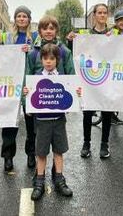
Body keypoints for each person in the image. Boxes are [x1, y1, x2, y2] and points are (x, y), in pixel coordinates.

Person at [24, 43, 79, 201]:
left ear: (57, 60)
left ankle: (60, 180)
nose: (48, 61)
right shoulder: (35, 80)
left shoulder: (63, 79)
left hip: (59, 121)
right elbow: (30, 101)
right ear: (41, 60)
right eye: (45, 58)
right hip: (42, 122)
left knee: (58, 151)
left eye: (52, 58)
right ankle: (39, 182)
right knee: (41, 153)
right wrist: (27, 94)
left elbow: (71, 98)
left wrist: (76, 93)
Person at [66, 3, 115, 159]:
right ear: (94, 15)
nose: (102, 15)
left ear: (107, 15)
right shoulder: (86, 34)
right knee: (87, 112)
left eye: (104, 13)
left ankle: (104, 144)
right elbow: (74, 52)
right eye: (99, 12)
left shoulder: (113, 34)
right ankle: (86, 143)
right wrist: (70, 40)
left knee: (107, 112)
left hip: (106, 78)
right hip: (89, 80)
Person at [0, 6, 39, 172]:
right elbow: (0, 57)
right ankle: (8, 156)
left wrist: (30, 51)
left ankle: (31, 153)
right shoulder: (6, 36)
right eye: (19, 16)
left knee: (32, 123)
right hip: (11, 83)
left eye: (25, 16)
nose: (22, 19)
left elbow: (43, 53)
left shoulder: (36, 37)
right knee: (9, 122)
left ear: (29, 20)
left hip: (30, 82)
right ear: (15, 19)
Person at [107, 9, 123, 125]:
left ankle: (114, 114)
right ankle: (111, 116)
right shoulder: (111, 32)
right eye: (121, 20)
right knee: (112, 94)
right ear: (116, 22)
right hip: (112, 68)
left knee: (120, 94)